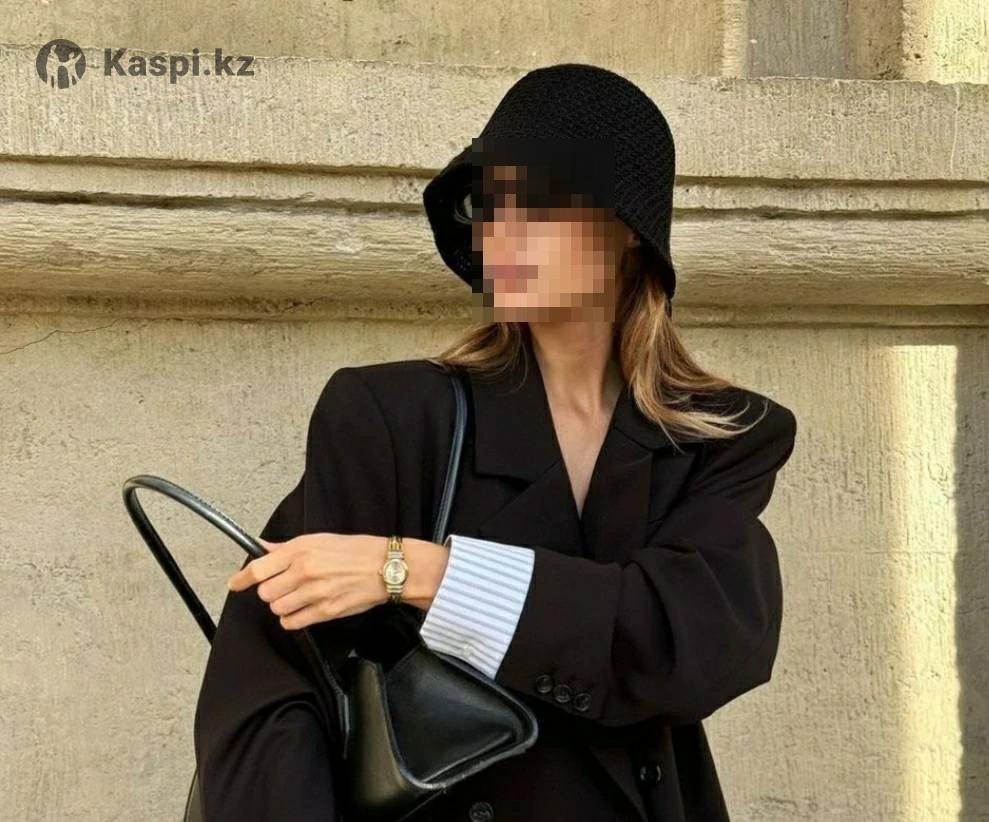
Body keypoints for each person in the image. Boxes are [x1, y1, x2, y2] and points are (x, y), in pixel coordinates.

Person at [193, 62, 797, 822]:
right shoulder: (395, 417)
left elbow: (693, 647)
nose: (501, 231)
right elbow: (267, 693)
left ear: (626, 233)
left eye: (538, 203)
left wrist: (421, 571)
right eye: (490, 203)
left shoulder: (717, 439)